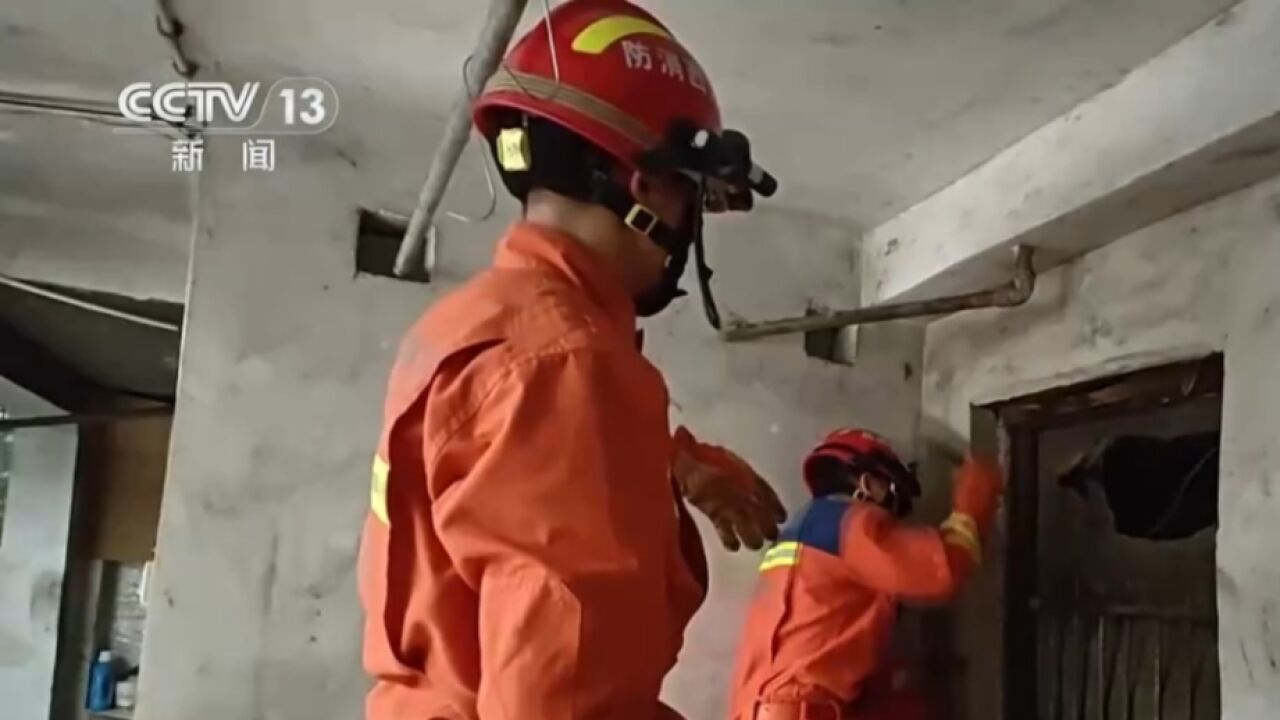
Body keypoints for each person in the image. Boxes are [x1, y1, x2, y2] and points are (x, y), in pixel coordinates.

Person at [358, 1, 785, 718]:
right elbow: (559, 700)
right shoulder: (567, 364)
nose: (687, 229)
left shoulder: (476, 323)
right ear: (645, 186)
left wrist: (664, 464)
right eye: (692, 197)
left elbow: (491, 496)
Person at [728, 428, 1004, 720]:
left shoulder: (801, 535)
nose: (898, 517)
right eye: (896, 494)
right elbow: (941, 571)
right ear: (868, 484)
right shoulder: (852, 521)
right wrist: (973, 505)